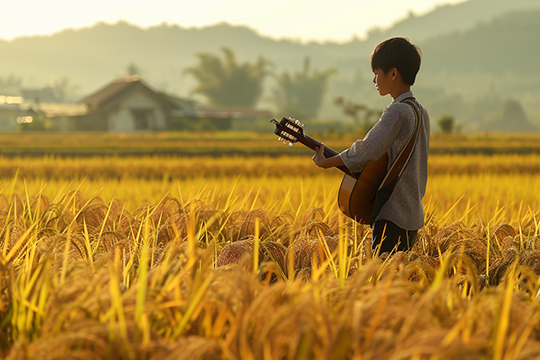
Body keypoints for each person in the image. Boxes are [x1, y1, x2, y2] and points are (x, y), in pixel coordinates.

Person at [311, 37, 430, 255]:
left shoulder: (397, 111)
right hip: (412, 214)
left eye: (377, 73)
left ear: (393, 73)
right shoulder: (421, 112)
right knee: (399, 280)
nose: (374, 80)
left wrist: (327, 162)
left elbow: (366, 150)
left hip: (393, 214)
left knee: (383, 280)